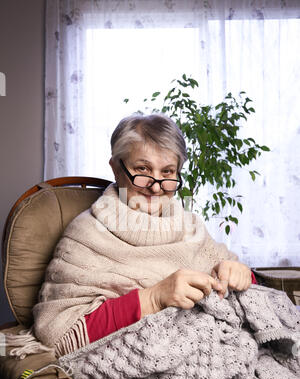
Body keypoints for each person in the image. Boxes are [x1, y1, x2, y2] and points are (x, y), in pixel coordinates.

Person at [32, 113, 256, 356]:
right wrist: (153, 298)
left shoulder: (190, 225)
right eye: (143, 168)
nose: (156, 186)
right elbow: (58, 336)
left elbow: (248, 291)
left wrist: (239, 273)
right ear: (116, 168)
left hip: (215, 354)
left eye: (168, 172)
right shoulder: (85, 233)